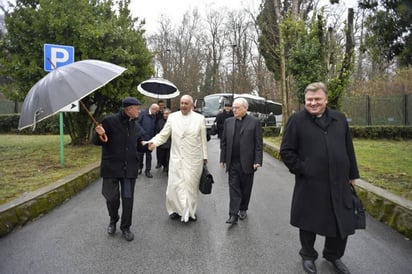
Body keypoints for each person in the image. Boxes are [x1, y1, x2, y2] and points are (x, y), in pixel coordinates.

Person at [280, 82, 360, 274]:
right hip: (311, 182)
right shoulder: (297, 120)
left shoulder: (339, 119)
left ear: (326, 99)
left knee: (340, 221)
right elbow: (286, 151)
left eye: (317, 99)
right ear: (305, 100)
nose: (313, 103)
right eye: (309, 99)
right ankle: (308, 255)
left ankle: (333, 255)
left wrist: (352, 174)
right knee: (308, 221)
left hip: (339, 181)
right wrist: (303, 168)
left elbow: (348, 148)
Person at [147, 95, 208, 222]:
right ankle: (175, 210)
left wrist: (204, 157)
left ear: (192, 105)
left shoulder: (200, 118)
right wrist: (153, 143)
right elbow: (163, 135)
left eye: (186, 103)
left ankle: (190, 211)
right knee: (175, 186)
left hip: (194, 159)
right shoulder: (173, 117)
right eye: (181, 103)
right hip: (177, 157)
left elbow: (203, 139)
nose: (183, 105)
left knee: (191, 187)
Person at [93, 97, 145, 242]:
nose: (139, 111)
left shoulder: (136, 126)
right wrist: (98, 133)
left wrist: (147, 146)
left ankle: (126, 227)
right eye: (137, 108)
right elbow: (98, 142)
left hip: (129, 171)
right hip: (111, 169)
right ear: (128, 109)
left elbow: (140, 145)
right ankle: (113, 219)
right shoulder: (109, 122)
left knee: (128, 200)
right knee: (111, 198)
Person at [220, 97, 263, 225]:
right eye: (233, 107)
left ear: (245, 108)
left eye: (237, 108)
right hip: (232, 162)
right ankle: (233, 214)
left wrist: (258, 160)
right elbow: (224, 143)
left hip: (248, 162)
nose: (234, 110)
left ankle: (243, 208)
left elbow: (258, 144)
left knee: (246, 188)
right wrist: (222, 158)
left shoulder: (254, 122)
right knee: (233, 188)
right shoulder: (228, 122)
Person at [137, 103, 159, 178]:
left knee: (149, 155)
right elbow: (137, 123)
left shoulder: (154, 115)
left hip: (150, 138)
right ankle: (139, 168)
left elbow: (153, 126)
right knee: (140, 154)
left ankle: (148, 171)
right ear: (153, 109)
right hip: (142, 137)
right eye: (156, 111)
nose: (156, 112)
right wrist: (143, 132)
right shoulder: (142, 113)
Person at [155, 108, 171, 172]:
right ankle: (164, 166)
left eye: (167, 114)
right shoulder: (160, 122)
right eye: (164, 114)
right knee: (162, 156)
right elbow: (157, 131)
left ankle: (167, 168)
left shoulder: (173, 121)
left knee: (169, 157)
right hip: (162, 142)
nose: (165, 115)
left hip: (170, 142)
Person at [155, 100, 166, 169]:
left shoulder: (166, 112)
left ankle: (165, 164)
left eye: (162, 105)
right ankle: (159, 162)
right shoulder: (156, 113)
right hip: (158, 132)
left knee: (165, 150)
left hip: (165, 131)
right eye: (160, 105)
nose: (161, 106)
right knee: (158, 149)